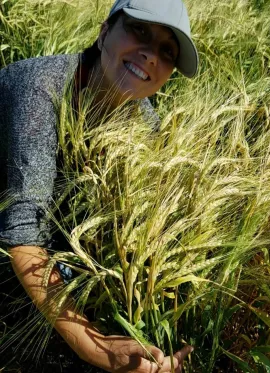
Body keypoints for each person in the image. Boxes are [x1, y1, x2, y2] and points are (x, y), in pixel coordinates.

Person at [0, 0, 198, 371]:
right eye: (139, 30)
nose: (151, 56)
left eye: (167, 51)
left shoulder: (146, 126)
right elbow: (23, 233)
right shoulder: (42, 90)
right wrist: (98, 348)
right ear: (105, 30)